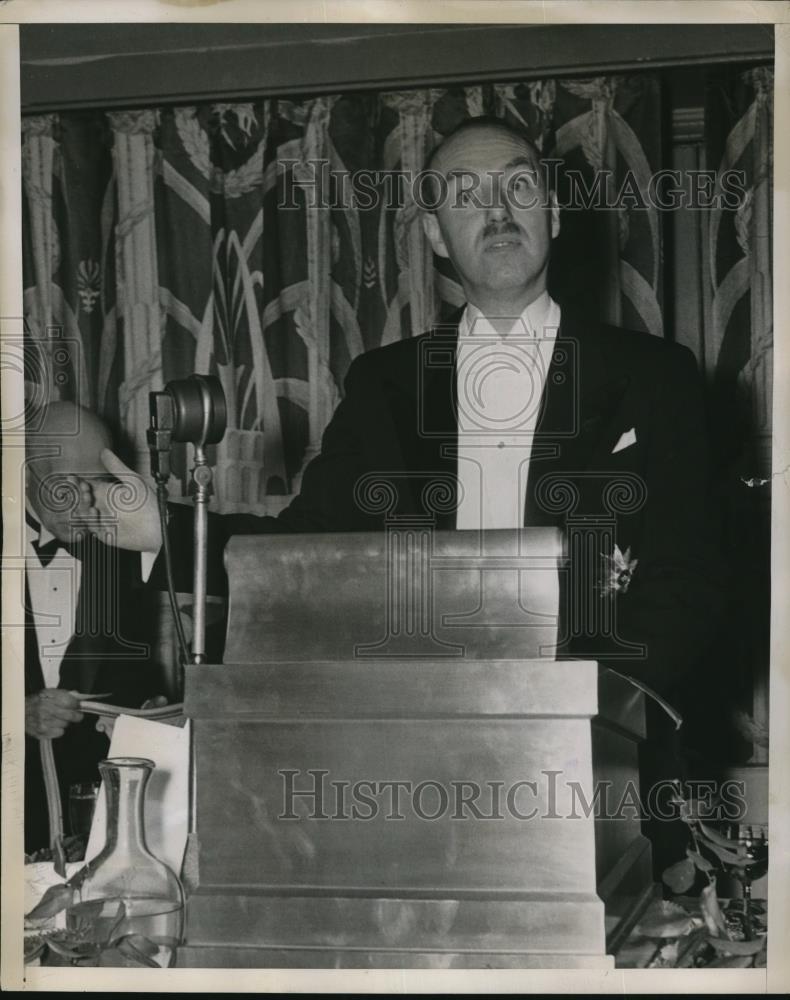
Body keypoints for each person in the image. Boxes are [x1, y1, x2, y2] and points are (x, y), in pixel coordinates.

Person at [82, 116, 727, 702]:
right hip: (422, 749)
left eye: (519, 188)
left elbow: (688, 581)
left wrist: (589, 702)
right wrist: (164, 529)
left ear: (554, 213)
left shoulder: (656, 376)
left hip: (607, 755)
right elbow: (304, 551)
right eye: (466, 194)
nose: (498, 211)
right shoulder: (385, 386)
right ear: (434, 236)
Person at [23, 401, 164, 854]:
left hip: (97, 822)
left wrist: (152, 711)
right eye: (66, 486)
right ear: (27, 474)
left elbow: (131, 671)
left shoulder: (123, 544)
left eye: (96, 485)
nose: (85, 502)